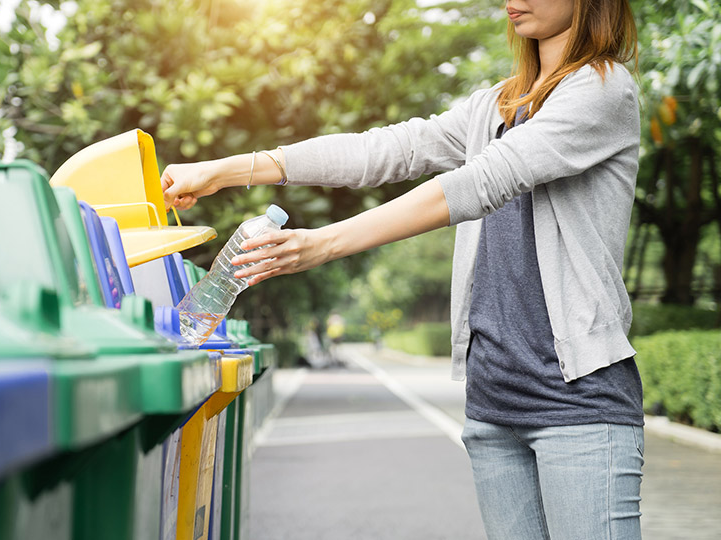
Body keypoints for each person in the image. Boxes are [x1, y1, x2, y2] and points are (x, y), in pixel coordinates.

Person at [160, 0, 643, 538]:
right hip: (493, 404)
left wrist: (324, 243)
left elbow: (482, 182)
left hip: (578, 403)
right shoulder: (496, 106)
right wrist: (226, 170)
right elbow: (385, 150)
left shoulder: (604, 89)